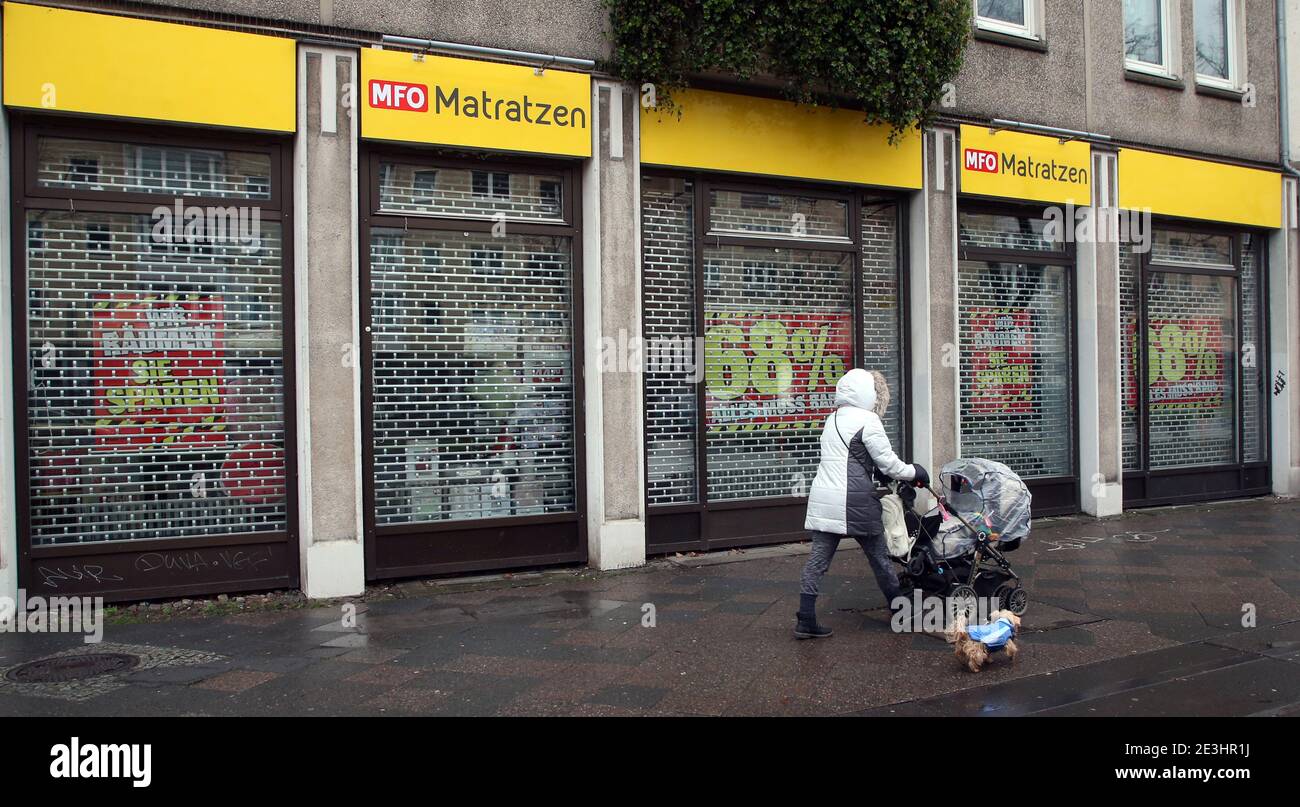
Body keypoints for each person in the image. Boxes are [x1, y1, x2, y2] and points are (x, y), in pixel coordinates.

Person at [795, 368, 928, 639]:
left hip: (825, 497)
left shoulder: (832, 419)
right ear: (870, 394)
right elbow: (889, 463)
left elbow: (851, 456)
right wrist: (915, 472)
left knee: (818, 560)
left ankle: (805, 618)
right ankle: (899, 610)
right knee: (879, 557)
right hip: (854, 500)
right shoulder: (868, 420)